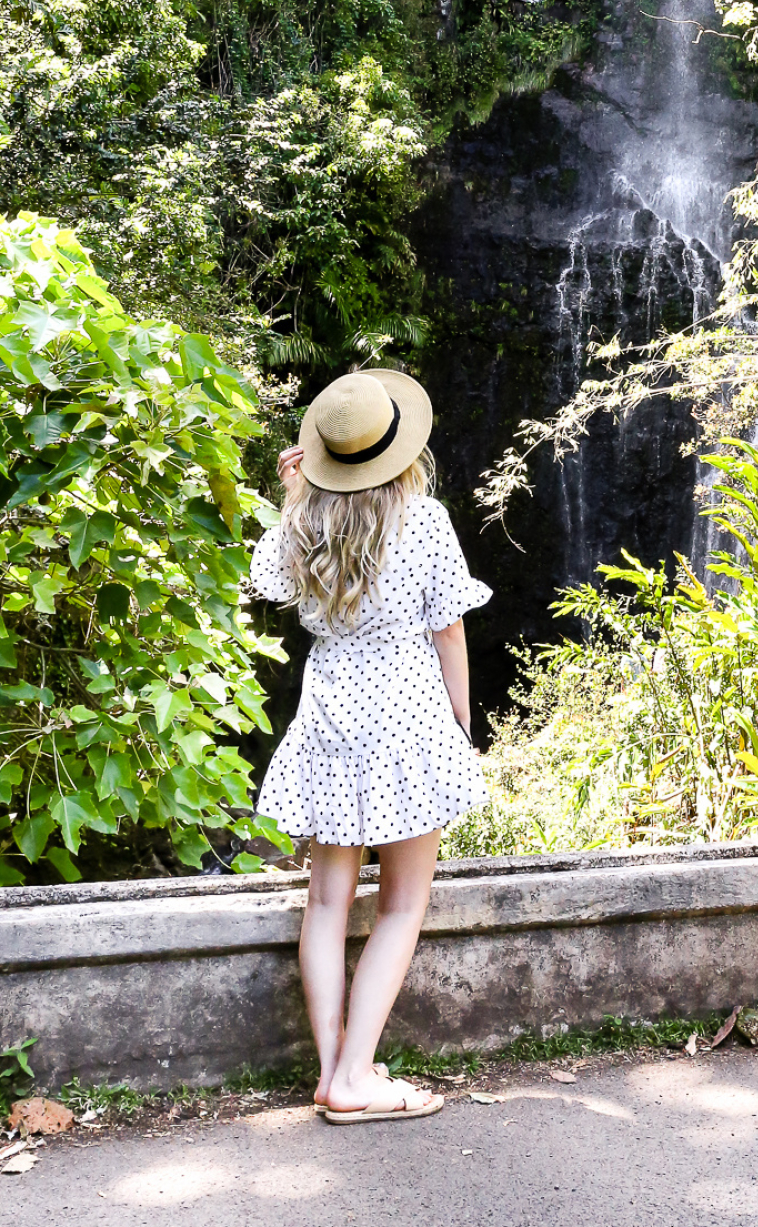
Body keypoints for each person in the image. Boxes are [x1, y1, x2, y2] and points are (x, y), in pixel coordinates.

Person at [248, 368, 491, 1123]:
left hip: (328, 714)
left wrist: (295, 496)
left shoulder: (303, 525)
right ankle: (355, 1078)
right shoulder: (424, 520)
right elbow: (446, 626)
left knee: (324, 901)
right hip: (407, 713)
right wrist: (461, 722)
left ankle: (334, 1071)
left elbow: (267, 582)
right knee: (401, 904)